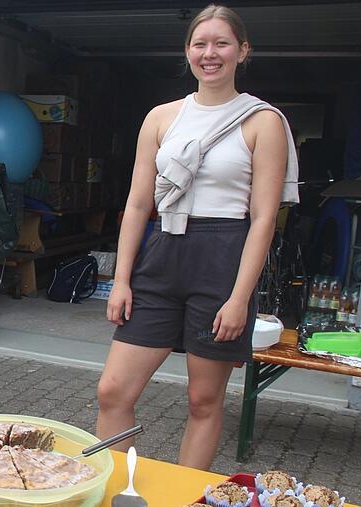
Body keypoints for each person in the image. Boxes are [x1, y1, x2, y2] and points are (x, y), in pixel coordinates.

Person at [96, 4, 297, 470]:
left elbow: (263, 219)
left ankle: (184, 502)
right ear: (187, 51)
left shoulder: (262, 121)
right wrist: (121, 280)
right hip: (161, 256)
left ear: (242, 51)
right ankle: (115, 489)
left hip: (222, 262)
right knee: (112, 391)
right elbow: (138, 205)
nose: (210, 53)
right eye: (200, 43)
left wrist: (240, 299)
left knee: (203, 401)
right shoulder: (161, 118)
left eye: (221, 43)